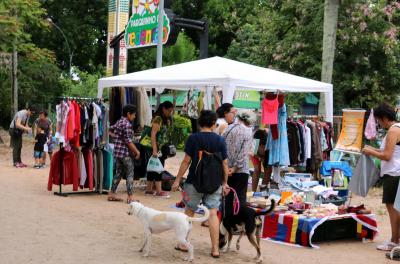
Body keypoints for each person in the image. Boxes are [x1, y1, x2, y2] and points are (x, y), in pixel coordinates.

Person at [171, 110, 230, 258]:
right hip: (214, 183)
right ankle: (215, 249)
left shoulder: (193, 138)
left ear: (200, 122)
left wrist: (177, 179)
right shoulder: (220, 140)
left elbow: (186, 161)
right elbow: (224, 164)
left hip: (194, 182)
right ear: (213, 123)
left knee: (189, 212)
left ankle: (183, 244)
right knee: (212, 213)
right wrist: (225, 183)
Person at [363, 103, 400, 252]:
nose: (378, 123)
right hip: (395, 172)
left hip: (393, 173)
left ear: (384, 118)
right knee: (396, 208)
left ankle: (393, 241)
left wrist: (371, 152)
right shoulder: (397, 128)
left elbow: (386, 155)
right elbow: (388, 150)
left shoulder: (393, 130)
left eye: (378, 120)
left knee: (393, 209)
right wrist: (372, 149)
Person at [108, 104, 141, 204]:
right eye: (134, 115)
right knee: (130, 174)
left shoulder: (119, 121)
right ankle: (130, 197)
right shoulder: (127, 124)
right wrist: (137, 151)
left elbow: (110, 130)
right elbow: (128, 141)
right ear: (128, 114)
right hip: (125, 154)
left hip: (117, 153)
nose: (134, 117)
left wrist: (116, 137)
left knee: (118, 174)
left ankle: (112, 194)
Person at [141, 101, 174, 198]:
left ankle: (149, 190)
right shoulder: (158, 119)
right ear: (163, 108)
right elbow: (153, 135)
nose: (170, 113)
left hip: (160, 147)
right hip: (156, 148)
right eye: (169, 111)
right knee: (159, 168)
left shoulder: (165, 119)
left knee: (152, 167)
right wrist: (155, 150)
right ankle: (159, 191)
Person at [223, 110, 254, 208]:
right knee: (240, 198)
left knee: (227, 197)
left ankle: (227, 221)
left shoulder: (228, 129)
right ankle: (239, 221)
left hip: (226, 168)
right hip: (241, 170)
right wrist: (236, 167)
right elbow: (243, 153)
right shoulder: (247, 132)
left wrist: (227, 167)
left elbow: (222, 147)